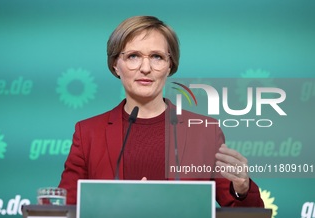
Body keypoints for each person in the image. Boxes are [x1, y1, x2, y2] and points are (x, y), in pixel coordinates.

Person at [58, 15, 264, 207]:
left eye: (156, 57)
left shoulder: (204, 131)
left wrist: (241, 189)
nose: (145, 68)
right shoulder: (88, 133)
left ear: (170, 65)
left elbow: (246, 214)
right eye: (133, 56)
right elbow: (65, 208)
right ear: (115, 66)